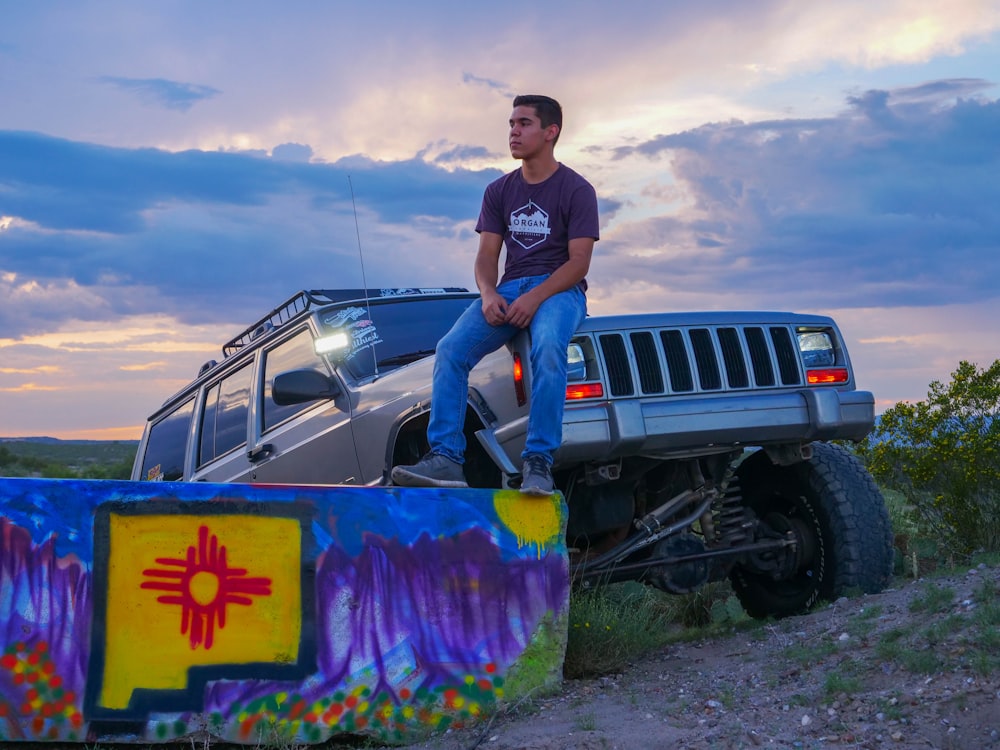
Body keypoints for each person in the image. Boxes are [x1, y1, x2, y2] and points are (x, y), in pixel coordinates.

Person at [391, 94, 599, 495]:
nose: (514, 132)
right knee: (450, 350)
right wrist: (488, 294)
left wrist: (535, 298)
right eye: (511, 124)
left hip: (559, 290)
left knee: (549, 347)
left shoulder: (576, 189)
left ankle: (538, 462)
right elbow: (487, 256)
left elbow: (579, 263)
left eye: (524, 123)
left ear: (550, 132)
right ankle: (447, 459)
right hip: (506, 289)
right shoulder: (499, 190)